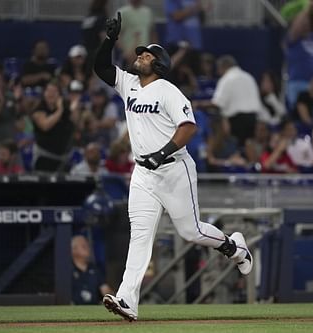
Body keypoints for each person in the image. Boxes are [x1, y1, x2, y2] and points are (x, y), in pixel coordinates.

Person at [94, 12, 253, 322]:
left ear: (159, 63)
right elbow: (100, 67)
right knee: (140, 235)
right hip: (142, 174)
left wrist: (162, 152)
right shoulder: (129, 84)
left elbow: (188, 127)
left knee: (190, 231)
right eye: (139, 52)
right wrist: (109, 41)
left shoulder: (168, 90)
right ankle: (127, 299)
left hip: (173, 169)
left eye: (147, 54)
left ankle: (235, 248)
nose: (140, 56)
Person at [31, 81, 78, 172]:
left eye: (54, 91)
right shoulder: (38, 111)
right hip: (44, 157)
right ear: (43, 94)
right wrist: (60, 110)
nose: (51, 94)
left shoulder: (66, 110)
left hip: (64, 159)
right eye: (48, 91)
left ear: (60, 95)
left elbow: (76, 122)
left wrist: (74, 105)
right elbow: (45, 126)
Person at [71, 235, 113, 305]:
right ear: (73, 250)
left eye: (88, 246)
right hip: (73, 308)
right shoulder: (68, 270)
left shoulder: (94, 269)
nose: (88, 248)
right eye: (84, 246)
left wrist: (111, 297)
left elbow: (105, 290)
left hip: (93, 306)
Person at [117, 0, 157, 66]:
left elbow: (152, 33)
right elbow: (117, 34)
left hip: (145, 54)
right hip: (129, 54)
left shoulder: (148, 12)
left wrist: (154, 52)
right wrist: (125, 52)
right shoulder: (123, 12)